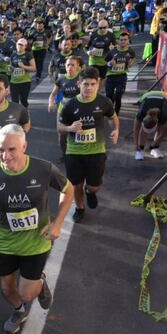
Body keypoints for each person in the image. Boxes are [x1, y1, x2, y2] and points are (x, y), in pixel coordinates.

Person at [0, 124, 73, 334]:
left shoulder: (43, 169)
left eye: (12, 149)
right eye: (1, 149)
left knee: (27, 293)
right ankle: (19, 311)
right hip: (5, 242)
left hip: (36, 242)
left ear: (24, 146)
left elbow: (68, 190)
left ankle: (39, 281)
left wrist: (57, 223)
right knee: (6, 289)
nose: (5, 155)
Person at [58, 67, 119, 223]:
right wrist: (70, 128)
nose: (89, 87)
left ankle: (90, 192)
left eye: (93, 84)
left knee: (94, 185)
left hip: (96, 151)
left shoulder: (103, 102)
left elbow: (113, 117)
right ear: (79, 84)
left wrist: (116, 130)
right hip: (74, 152)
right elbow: (59, 127)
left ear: (98, 84)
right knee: (75, 185)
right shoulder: (70, 105)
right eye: (86, 84)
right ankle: (80, 208)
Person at [48, 56, 83, 159]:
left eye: (73, 65)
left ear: (77, 67)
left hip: (78, 110)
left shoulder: (81, 79)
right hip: (63, 110)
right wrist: (51, 103)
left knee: (78, 133)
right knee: (62, 134)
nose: (70, 67)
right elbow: (53, 94)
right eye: (68, 65)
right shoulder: (61, 79)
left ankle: (79, 154)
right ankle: (65, 155)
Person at [133, 90, 167, 160]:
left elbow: (163, 132)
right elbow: (136, 130)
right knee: (144, 131)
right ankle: (140, 150)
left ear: (157, 121)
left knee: (161, 128)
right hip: (146, 97)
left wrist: (153, 145)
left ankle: (155, 149)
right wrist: (136, 145)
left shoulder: (163, 116)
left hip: (165, 98)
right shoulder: (141, 113)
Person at [104, 32, 137, 114]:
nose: (123, 41)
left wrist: (131, 63)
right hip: (111, 76)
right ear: (118, 41)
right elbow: (106, 62)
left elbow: (133, 58)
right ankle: (110, 110)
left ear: (128, 41)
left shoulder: (130, 51)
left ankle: (116, 113)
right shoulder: (113, 51)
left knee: (118, 95)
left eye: (125, 40)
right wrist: (110, 63)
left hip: (122, 76)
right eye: (121, 40)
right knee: (109, 96)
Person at [9, 39, 36, 108]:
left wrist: (23, 66)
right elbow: (11, 69)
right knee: (14, 102)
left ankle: (25, 117)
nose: (19, 46)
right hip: (14, 82)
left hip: (24, 82)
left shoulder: (28, 55)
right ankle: (16, 117)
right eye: (18, 44)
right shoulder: (13, 55)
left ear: (25, 46)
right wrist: (10, 69)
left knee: (23, 101)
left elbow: (34, 68)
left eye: (21, 45)